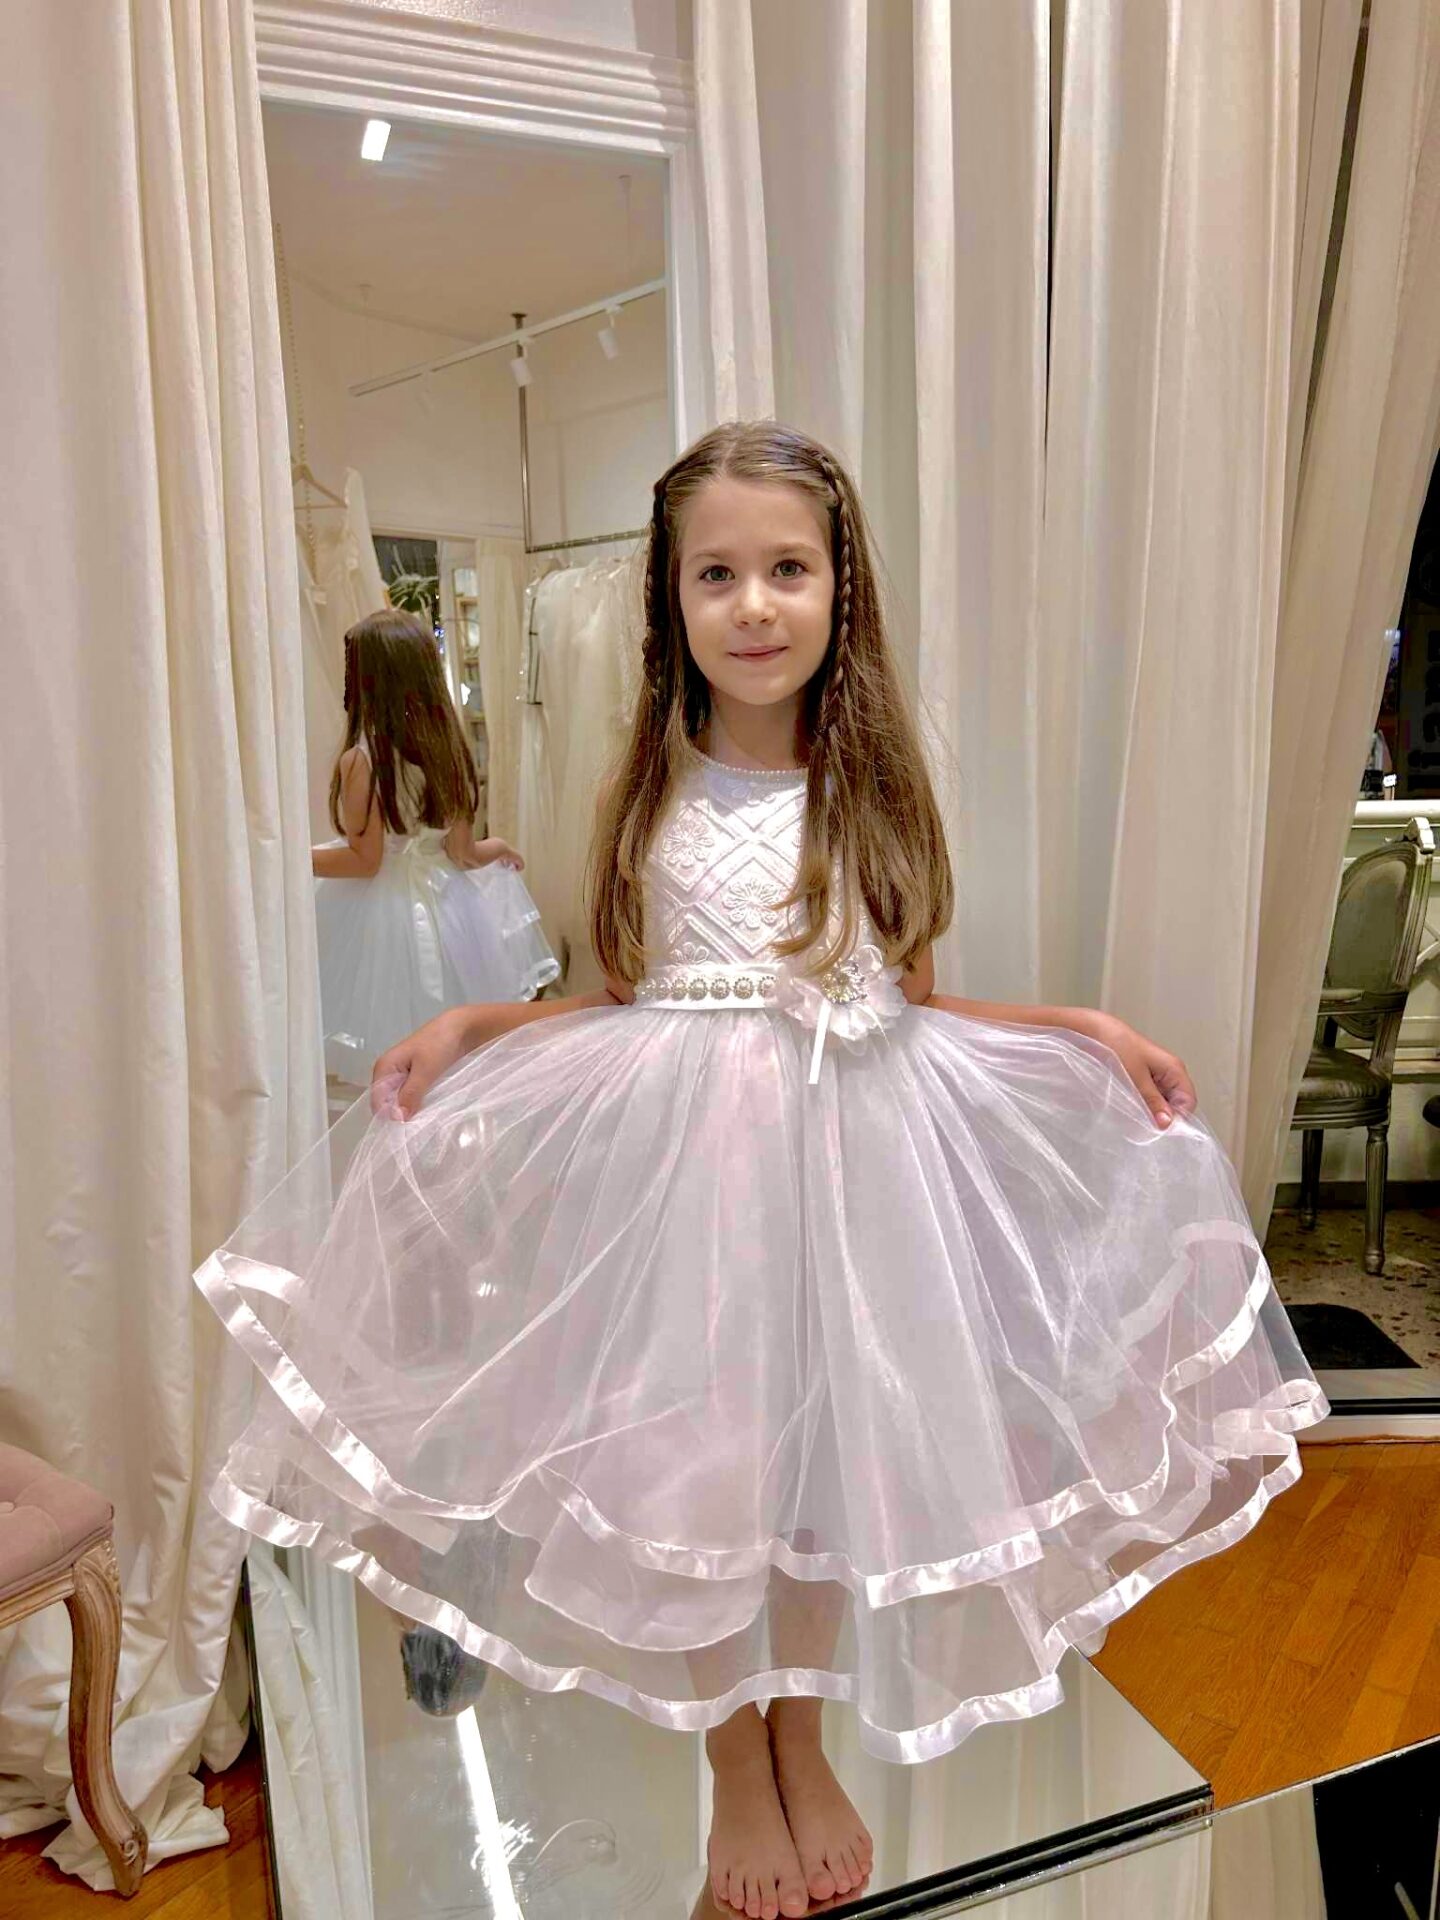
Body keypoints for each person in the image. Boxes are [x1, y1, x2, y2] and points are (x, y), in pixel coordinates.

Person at [198, 424, 1326, 1920]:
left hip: (855, 1184)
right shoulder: (648, 798)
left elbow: (914, 997)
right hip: (692, 1194)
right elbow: (621, 1000)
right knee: (704, 1469)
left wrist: (1083, 1028)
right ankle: (736, 1761)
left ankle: (804, 1741)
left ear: (840, 590)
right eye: (716, 574)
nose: (753, 605)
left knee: (815, 1477)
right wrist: (471, 1025)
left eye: (787, 569)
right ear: (670, 602)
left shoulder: (876, 794)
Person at [311, 608, 557, 1084]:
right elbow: (463, 854)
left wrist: (292, 860)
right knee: (452, 1045)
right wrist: (499, 846)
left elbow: (365, 861)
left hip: (385, 916)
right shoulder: (447, 749)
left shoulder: (362, 760)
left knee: (387, 1035)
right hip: (448, 908)